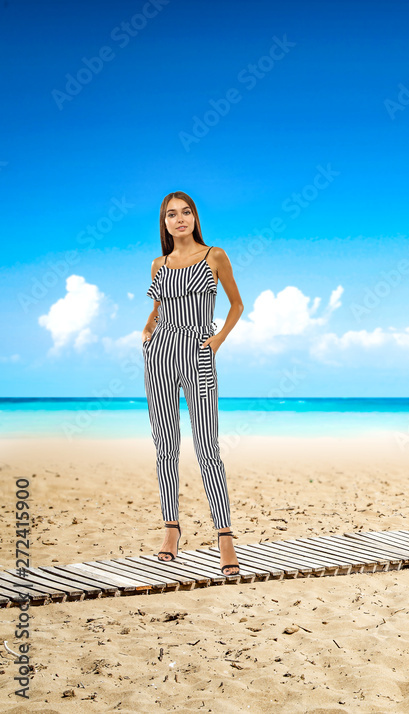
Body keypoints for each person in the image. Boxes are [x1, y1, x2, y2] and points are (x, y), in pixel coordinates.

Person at [141, 192, 244, 577]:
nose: (179, 219)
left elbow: (237, 305)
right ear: (164, 223)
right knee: (165, 444)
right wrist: (148, 329)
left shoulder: (214, 256)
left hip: (198, 351)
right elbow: (158, 307)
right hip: (160, 354)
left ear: (195, 217)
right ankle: (171, 530)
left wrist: (216, 341)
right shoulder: (158, 264)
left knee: (207, 445)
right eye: (171, 214)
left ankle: (225, 536)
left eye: (186, 212)